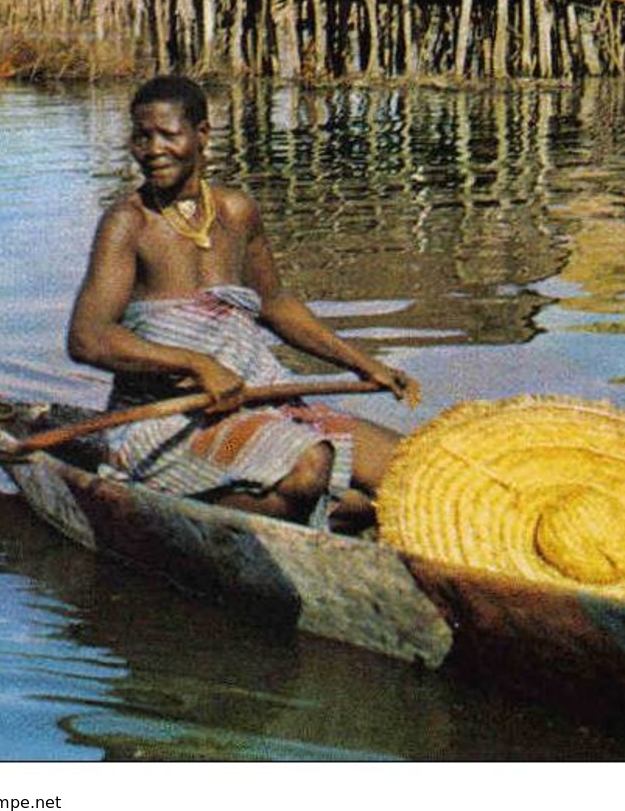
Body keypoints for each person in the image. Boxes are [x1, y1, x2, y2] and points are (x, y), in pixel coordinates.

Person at [67, 74, 420, 532]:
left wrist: (361, 362)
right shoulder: (128, 223)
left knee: (407, 467)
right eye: (141, 136)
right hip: (170, 421)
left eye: (168, 135)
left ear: (203, 136)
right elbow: (88, 337)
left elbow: (274, 304)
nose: (152, 149)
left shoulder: (236, 212)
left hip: (259, 395)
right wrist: (196, 364)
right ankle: (172, 498)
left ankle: (307, 508)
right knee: (309, 468)